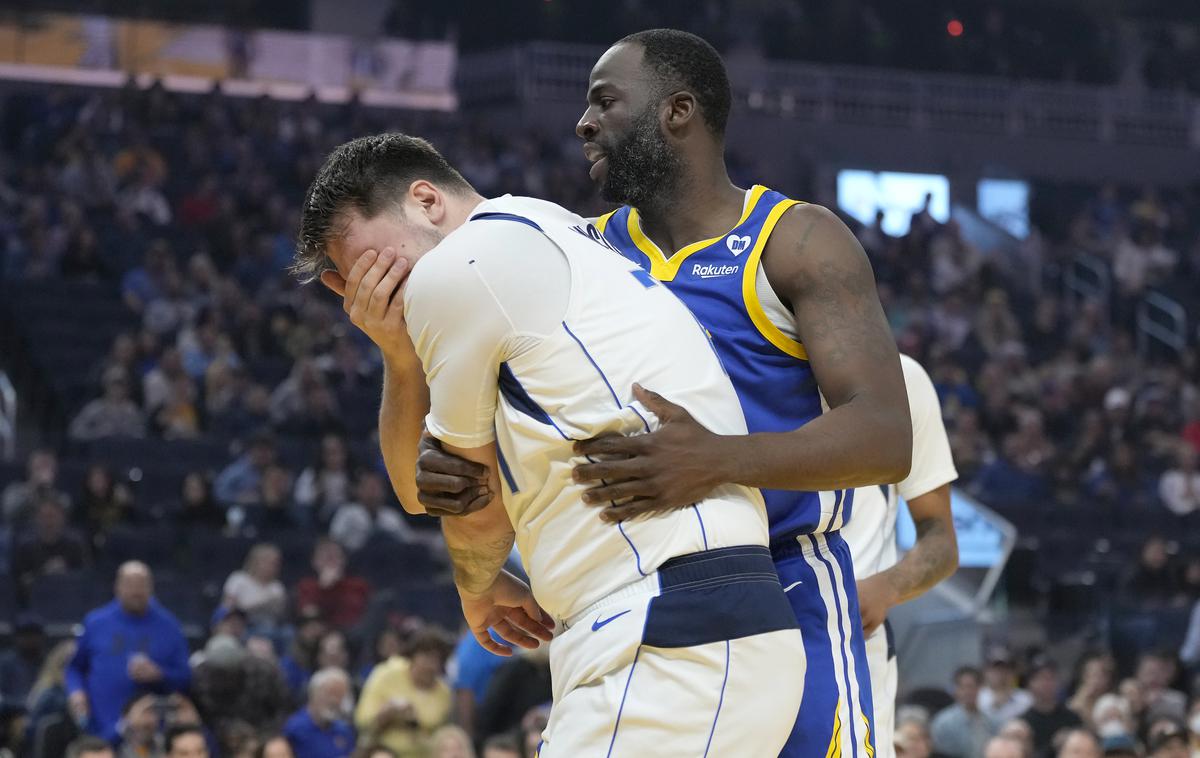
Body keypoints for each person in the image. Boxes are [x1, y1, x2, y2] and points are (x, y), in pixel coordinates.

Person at [416, 29, 912, 757]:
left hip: (786, 576)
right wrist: (444, 448)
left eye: (605, 101)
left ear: (678, 112)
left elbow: (884, 437)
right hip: (636, 593)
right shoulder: (578, 253)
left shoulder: (793, 240)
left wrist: (717, 459)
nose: (583, 123)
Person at [294, 132, 807, 755]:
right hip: (688, 620)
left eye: (372, 262)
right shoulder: (545, 227)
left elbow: (471, 509)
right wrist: (400, 357)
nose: (371, 291)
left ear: (425, 200)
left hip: (668, 621)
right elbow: (419, 491)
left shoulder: (464, 267)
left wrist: (477, 588)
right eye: (354, 283)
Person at [841, 353, 960, 758]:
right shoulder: (728, 361)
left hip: (859, 643)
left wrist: (887, 588)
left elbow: (941, 541)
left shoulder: (901, 378)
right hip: (753, 633)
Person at [66, 562, 192, 741]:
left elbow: (185, 678)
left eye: (141, 585)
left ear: (151, 588)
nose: (136, 592)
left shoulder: (170, 627)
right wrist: (76, 692)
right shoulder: (95, 622)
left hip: (152, 735)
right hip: (100, 728)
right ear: (116, 587)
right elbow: (74, 668)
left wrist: (160, 674)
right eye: (129, 585)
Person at [354, 630, 452, 757]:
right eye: (426, 657)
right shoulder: (385, 674)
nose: (430, 666)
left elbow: (440, 736)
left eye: (436, 660)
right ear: (412, 657)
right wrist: (387, 713)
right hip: (380, 751)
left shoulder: (444, 694)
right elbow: (362, 721)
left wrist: (415, 722)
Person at [190, 635, 291, 740]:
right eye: (220, 673)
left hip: (262, 734)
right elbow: (201, 716)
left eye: (230, 672)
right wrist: (225, 729)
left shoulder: (264, 673)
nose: (226, 678)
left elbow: (285, 710)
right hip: (218, 738)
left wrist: (262, 735)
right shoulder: (200, 679)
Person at [12, 496, 90, 597]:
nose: (49, 522)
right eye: (44, 517)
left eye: (52, 516)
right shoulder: (26, 547)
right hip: (36, 600)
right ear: (37, 519)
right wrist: (44, 573)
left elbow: (86, 578)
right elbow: (19, 583)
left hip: (70, 597)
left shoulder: (75, 544)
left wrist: (66, 574)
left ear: (62, 518)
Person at [329, 470, 415, 552]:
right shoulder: (347, 512)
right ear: (358, 490)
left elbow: (407, 540)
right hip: (355, 558)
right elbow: (334, 539)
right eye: (369, 487)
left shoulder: (391, 516)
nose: (373, 492)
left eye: (376, 488)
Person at [293, 539, 371, 629]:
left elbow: (355, 616)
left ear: (344, 560)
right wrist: (323, 589)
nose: (330, 561)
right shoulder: (306, 586)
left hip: (350, 634)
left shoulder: (358, 585)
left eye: (335, 556)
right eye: (325, 557)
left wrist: (336, 587)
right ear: (314, 562)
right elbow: (308, 616)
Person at [282, 668, 356, 758]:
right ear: (313, 693)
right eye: (330, 694)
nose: (335, 701)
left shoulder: (344, 730)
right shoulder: (294, 729)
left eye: (340, 696)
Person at [931, 666, 998, 758]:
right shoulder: (943, 722)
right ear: (956, 689)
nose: (967, 692)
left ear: (980, 688)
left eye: (971, 686)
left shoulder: (991, 720)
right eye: (962, 687)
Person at [1023, 658, 1083, 756]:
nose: (1047, 684)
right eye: (1041, 678)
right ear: (1030, 684)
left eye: (1051, 678)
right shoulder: (1024, 723)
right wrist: (1052, 746)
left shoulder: (1072, 718)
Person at [68, 367, 147, 441]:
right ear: (105, 385)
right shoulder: (94, 408)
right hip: (98, 450)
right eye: (114, 384)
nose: (117, 388)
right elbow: (75, 431)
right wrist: (97, 434)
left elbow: (141, 435)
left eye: (121, 384)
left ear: (127, 386)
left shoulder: (132, 410)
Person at [221, 543, 288, 629]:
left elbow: (280, 615)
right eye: (267, 562)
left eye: (275, 564)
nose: (271, 567)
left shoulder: (277, 587)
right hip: (241, 626)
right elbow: (227, 608)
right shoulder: (238, 579)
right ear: (255, 562)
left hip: (269, 626)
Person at [1, 448, 71, 526]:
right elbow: (9, 514)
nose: (43, 471)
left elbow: (66, 515)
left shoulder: (60, 496)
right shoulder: (15, 491)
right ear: (30, 468)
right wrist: (33, 490)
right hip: (19, 534)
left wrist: (48, 493)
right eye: (40, 467)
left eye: (48, 466)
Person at [979, 648, 1034, 726]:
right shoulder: (977, 698)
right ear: (986, 672)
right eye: (997, 670)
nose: (1002, 674)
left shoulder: (1026, 699)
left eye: (1006, 669)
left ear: (1014, 673)